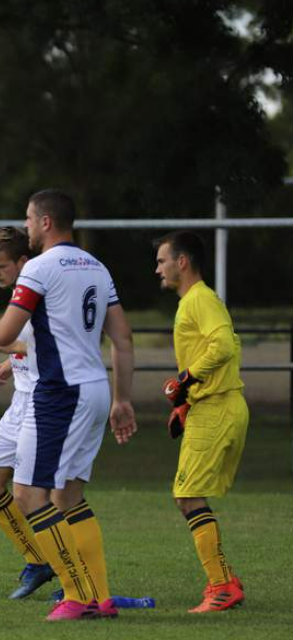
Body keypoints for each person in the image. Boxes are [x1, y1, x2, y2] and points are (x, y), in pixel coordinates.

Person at [0, 189, 136, 621]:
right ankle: (100, 595)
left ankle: (77, 595)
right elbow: (123, 338)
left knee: (29, 494)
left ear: (46, 222)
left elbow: (5, 334)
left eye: (29, 220)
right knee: (67, 496)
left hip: (59, 392)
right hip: (93, 389)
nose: (26, 227)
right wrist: (122, 398)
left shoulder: (38, 268)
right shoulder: (96, 267)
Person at [153, 230, 248, 613]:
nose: (156, 268)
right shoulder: (195, 301)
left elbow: (224, 346)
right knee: (186, 496)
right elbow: (228, 346)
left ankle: (223, 586)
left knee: (188, 496)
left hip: (218, 407)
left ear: (182, 261)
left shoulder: (200, 299)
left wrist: (187, 379)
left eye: (161, 261)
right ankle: (225, 579)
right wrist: (186, 402)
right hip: (211, 406)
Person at [0, 227, 54, 599]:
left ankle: (71, 577)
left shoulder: (45, 290)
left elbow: (61, 344)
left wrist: (10, 343)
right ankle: (39, 561)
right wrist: (13, 361)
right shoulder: (22, 295)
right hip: (18, 403)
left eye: (0, 266)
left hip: (44, 404)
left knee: (36, 496)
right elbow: (29, 345)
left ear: (24, 262)